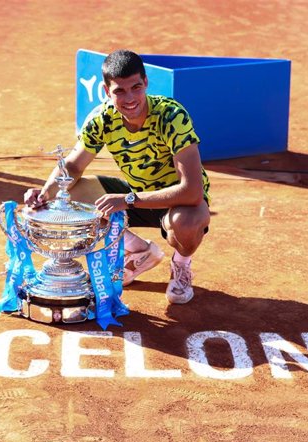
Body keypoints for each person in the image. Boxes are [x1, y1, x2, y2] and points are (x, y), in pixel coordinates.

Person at [24, 49, 211, 304]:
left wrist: (127, 200)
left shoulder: (171, 116)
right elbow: (74, 167)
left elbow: (191, 191)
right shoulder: (102, 119)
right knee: (67, 197)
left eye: (136, 87)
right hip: (136, 193)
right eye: (119, 91)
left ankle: (181, 264)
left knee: (186, 223)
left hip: (179, 202)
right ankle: (140, 251)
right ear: (106, 91)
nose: (130, 98)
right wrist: (44, 194)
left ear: (145, 82)